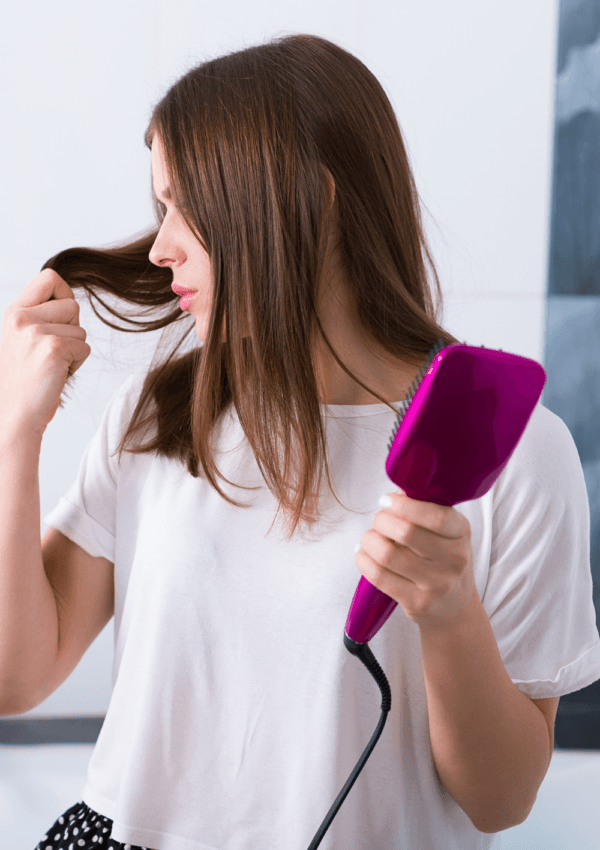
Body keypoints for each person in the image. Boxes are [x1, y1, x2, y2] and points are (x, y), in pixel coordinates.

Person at [0, 32, 598, 850]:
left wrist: (450, 615)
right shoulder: (160, 417)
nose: (161, 246)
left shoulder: (516, 455)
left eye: (184, 206)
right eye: (159, 208)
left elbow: (501, 802)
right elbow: (14, 678)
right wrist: (15, 436)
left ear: (308, 202)